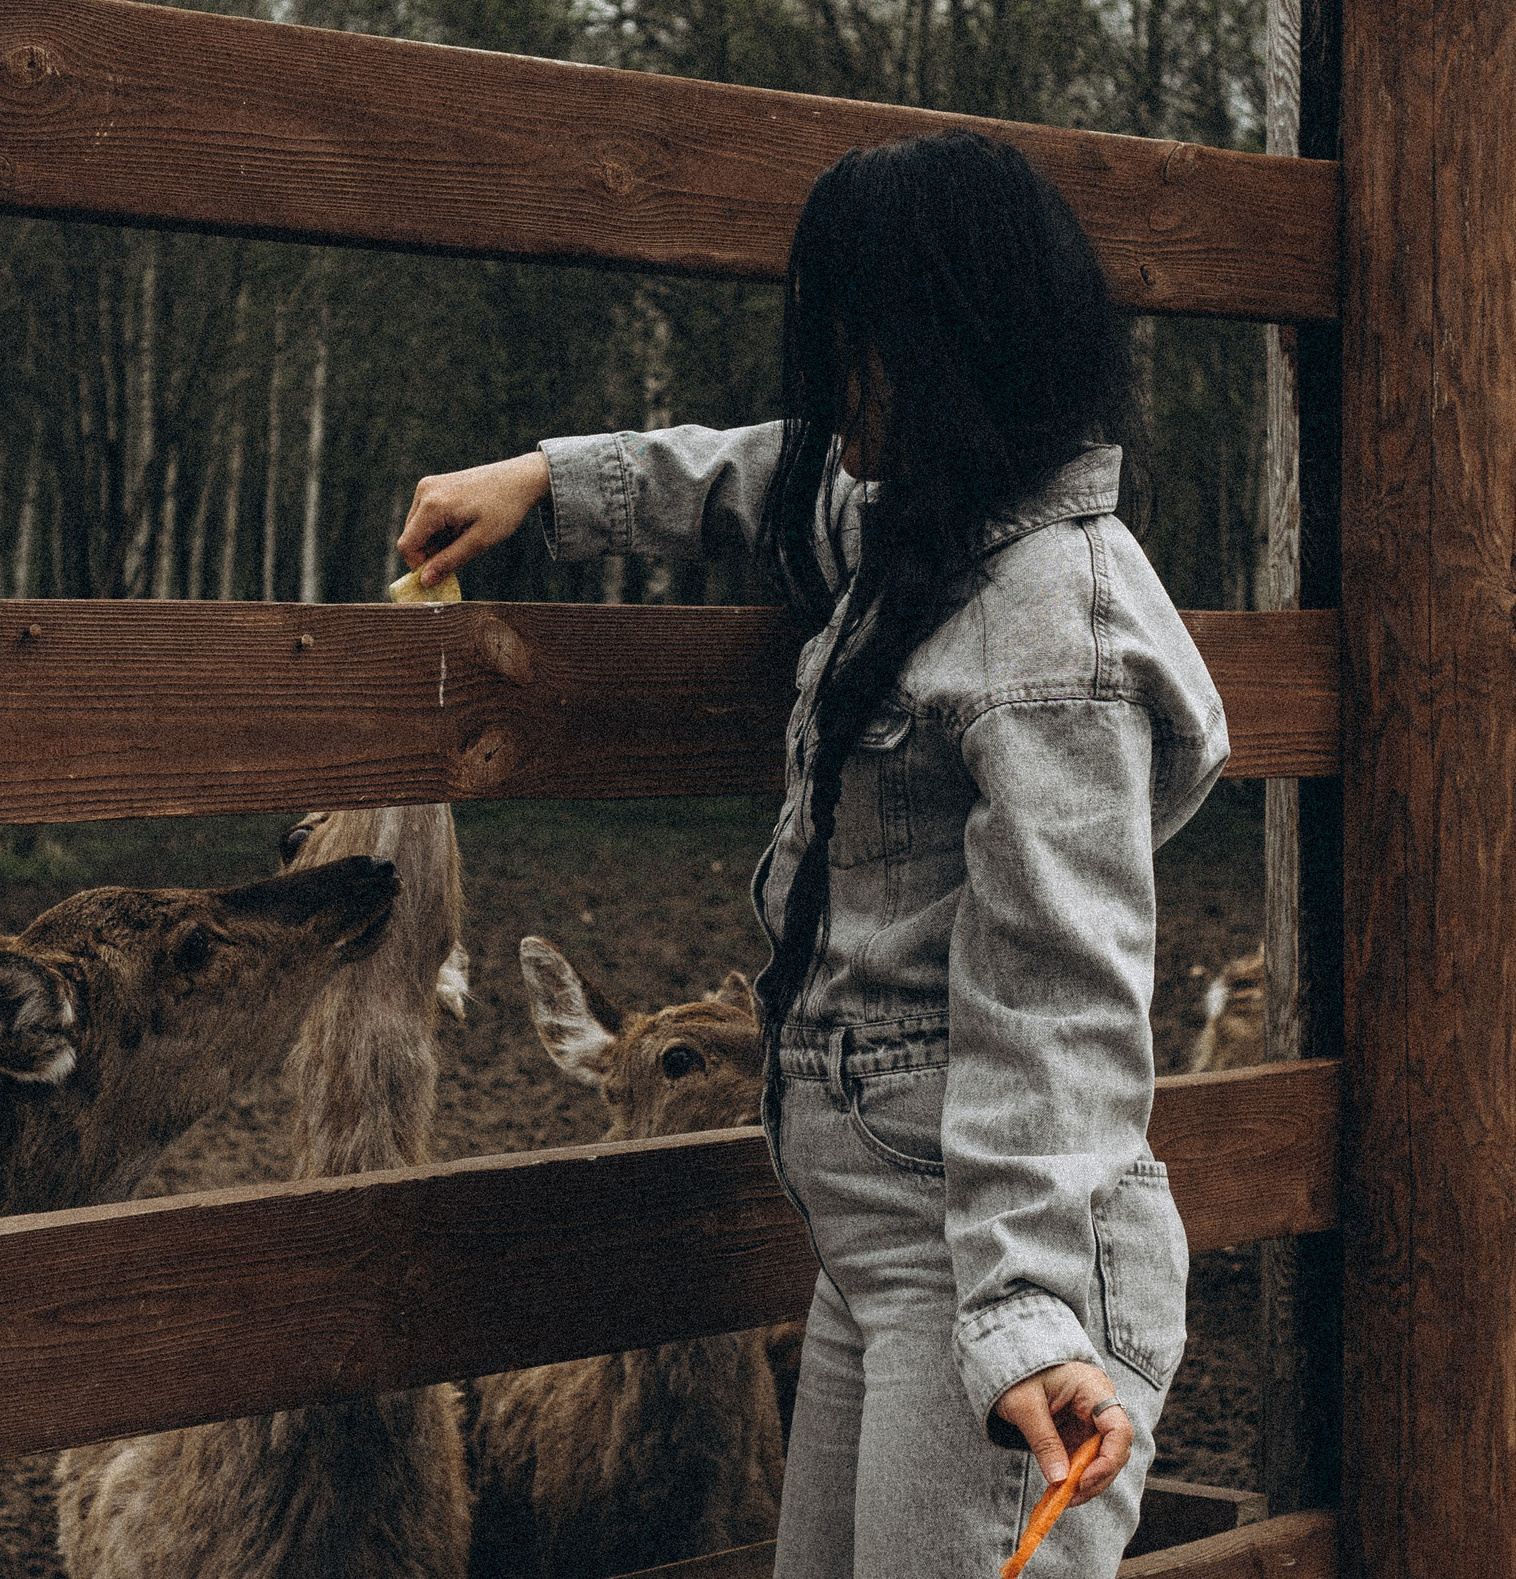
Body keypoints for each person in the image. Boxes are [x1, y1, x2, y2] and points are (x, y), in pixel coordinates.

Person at [397, 129, 1227, 1579]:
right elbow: (766, 480)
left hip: (987, 1257)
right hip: (888, 1238)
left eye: (852, 348)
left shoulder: (1052, 638)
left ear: (943, 353)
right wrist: (548, 479)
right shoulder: (935, 526)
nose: (824, 386)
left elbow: (1065, 1003)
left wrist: (1027, 1315)